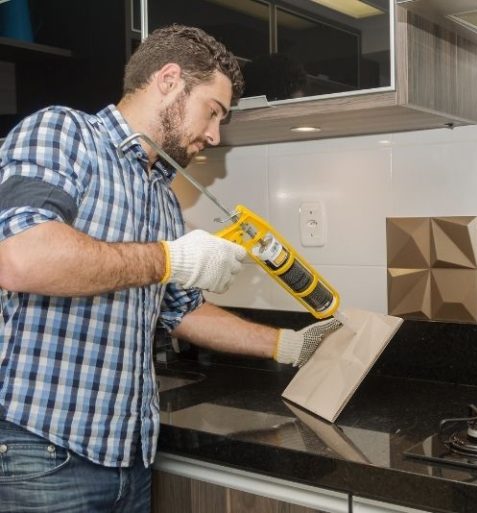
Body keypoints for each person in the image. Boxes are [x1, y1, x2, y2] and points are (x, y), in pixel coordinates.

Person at [0, 24, 341, 513]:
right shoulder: (63, 133)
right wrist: (173, 259)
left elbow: (181, 312)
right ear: (168, 79)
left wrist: (289, 345)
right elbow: (20, 256)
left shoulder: (161, 197)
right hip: (45, 451)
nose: (213, 134)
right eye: (213, 112)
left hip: (130, 455)